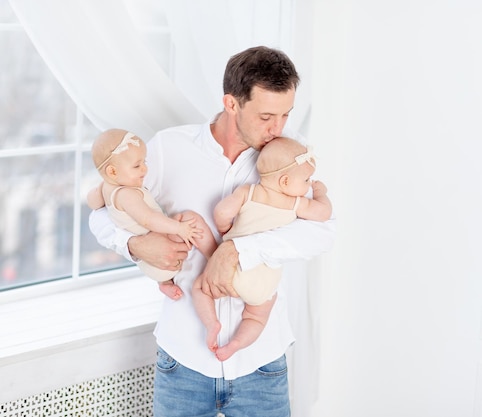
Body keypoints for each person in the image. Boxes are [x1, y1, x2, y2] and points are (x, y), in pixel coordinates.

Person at [89, 46, 336, 416]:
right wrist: (137, 244)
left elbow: (323, 231)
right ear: (231, 103)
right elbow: (102, 212)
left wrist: (239, 251)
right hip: (183, 362)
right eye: (267, 116)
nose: (278, 129)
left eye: (286, 115)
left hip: (262, 364)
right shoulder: (168, 149)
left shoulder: (287, 154)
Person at [192, 137, 333, 362]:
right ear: (285, 182)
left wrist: (225, 228)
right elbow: (323, 213)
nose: (309, 184)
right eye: (306, 179)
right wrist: (320, 193)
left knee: (199, 287)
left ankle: (211, 325)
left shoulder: (247, 192)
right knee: (257, 318)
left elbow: (221, 211)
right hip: (264, 283)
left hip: (232, 270)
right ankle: (235, 344)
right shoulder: (295, 203)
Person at [87, 128, 216, 300]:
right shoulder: (127, 195)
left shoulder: (106, 188)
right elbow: (149, 220)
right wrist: (180, 228)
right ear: (112, 172)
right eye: (137, 166)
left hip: (150, 265)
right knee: (189, 219)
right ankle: (214, 259)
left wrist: (101, 187)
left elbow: (93, 203)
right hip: (162, 255)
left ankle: (165, 283)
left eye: (144, 162)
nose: (145, 169)